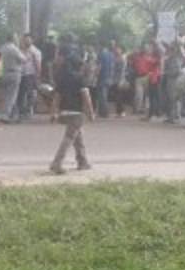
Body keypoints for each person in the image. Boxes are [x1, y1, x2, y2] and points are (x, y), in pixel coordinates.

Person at [49, 36, 91, 175]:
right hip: (77, 112)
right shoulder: (80, 78)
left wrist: (53, 112)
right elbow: (86, 97)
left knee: (77, 136)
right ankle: (57, 163)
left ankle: (82, 161)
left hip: (64, 111)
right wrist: (90, 112)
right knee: (69, 138)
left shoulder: (61, 77)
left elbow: (56, 97)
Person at [0, 34, 26, 123]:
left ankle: (14, 115)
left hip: (2, 73)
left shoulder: (1, 48)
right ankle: (5, 115)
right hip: (14, 73)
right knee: (11, 96)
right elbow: (23, 59)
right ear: (13, 39)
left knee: (5, 95)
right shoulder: (14, 49)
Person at [18, 34, 41, 120]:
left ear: (32, 40)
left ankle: (29, 110)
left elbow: (38, 64)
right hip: (20, 74)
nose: (26, 41)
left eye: (28, 40)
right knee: (21, 93)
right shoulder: (20, 50)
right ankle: (21, 111)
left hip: (30, 74)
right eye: (24, 40)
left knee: (30, 93)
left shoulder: (35, 51)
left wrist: (38, 75)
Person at [96, 41, 115, 119]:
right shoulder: (111, 55)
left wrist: (96, 74)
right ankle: (102, 112)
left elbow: (99, 66)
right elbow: (113, 66)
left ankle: (104, 112)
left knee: (102, 95)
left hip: (102, 77)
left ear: (101, 46)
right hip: (109, 77)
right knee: (105, 95)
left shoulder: (101, 54)